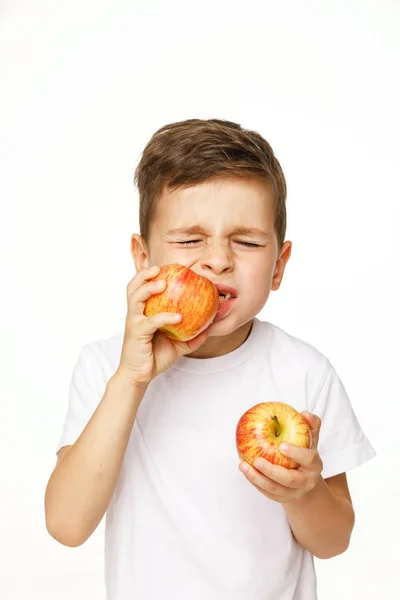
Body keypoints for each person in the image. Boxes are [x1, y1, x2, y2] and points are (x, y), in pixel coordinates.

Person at [44, 118, 376, 600]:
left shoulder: (302, 371)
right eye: (189, 239)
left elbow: (334, 541)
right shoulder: (106, 369)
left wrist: (304, 494)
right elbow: (67, 524)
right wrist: (131, 380)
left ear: (279, 266)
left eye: (246, 241)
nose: (217, 260)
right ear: (143, 258)